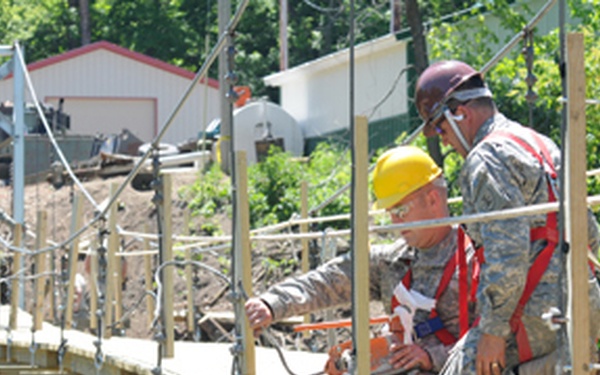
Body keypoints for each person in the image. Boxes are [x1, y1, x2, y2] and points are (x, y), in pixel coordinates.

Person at [414, 59, 600, 374]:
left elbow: (507, 252)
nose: (442, 139)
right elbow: (590, 232)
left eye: (440, 128)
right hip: (583, 299)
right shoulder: (543, 145)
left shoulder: (485, 158)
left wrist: (493, 331)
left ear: (460, 112)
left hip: (533, 312)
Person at [245, 146, 475, 374]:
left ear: (433, 200)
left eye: (401, 210)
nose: (395, 222)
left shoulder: (476, 261)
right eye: (390, 213)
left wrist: (432, 357)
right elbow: (329, 280)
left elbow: (497, 339)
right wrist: (271, 304)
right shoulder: (394, 261)